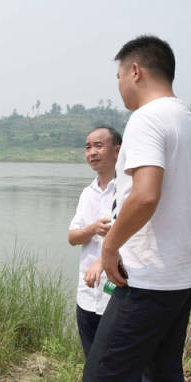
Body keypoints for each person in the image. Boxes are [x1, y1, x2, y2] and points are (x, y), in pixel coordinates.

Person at [76, 35, 191, 382]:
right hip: (184, 276)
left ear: (135, 71)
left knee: (102, 380)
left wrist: (110, 247)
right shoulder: (188, 120)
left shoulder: (146, 118)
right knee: (162, 377)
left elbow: (146, 194)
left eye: (118, 76)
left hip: (147, 280)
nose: (118, 87)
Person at [68, 126, 121, 356]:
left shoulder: (128, 190)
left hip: (118, 294)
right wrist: (93, 229)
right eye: (88, 147)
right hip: (87, 293)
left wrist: (102, 260)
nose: (92, 152)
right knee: (92, 360)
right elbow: (72, 237)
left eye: (99, 145)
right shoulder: (87, 193)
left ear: (118, 151)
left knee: (121, 362)